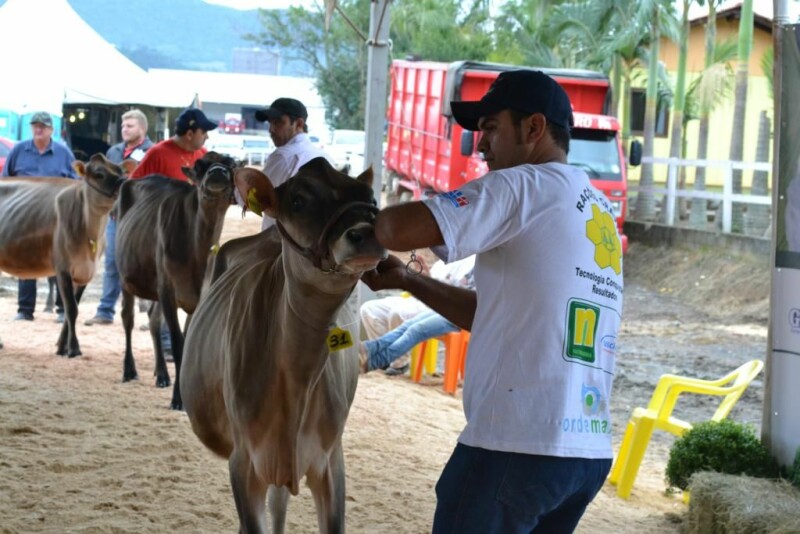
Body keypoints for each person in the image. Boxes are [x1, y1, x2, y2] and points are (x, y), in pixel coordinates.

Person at [362, 70, 624, 532]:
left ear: (533, 128)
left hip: (515, 446)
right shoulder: (592, 207)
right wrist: (409, 279)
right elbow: (492, 315)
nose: (479, 144)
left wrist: (356, 210)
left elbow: (393, 229)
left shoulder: (522, 185)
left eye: (490, 127)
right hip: (582, 454)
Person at [129, 107, 218, 357]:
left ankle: (189, 343)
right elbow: (134, 184)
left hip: (193, 236)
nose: (207, 137)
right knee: (165, 284)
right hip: (159, 233)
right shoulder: (158, 153)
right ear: (190, 133)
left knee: (193, 286)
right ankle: (168, 342)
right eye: (204, 132)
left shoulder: (203, 156)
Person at [2, 111, 77, 323]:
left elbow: (76, 184)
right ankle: (25, 309)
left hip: (56, 217)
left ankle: (62, 309)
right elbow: (5, 182)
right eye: (35, 125)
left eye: (43, 126)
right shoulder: (19, 150)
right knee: (25, 259)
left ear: (51, 130)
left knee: (61, 260)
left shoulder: (63, 153)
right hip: (23, 217)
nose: (38, 129)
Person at [85, 109, 154, 326]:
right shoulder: (113, 152)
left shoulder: (152, 152)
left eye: (130, 126)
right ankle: (105, 311)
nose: (125, 129)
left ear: (142, 129)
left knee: (146, 264)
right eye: (124, 126)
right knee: (112, 262)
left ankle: (152, 313)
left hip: (143, 219)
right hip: (115, 216)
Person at [359, 255, 475, 374]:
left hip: (460, 317)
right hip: (447, 309)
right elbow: (457, 286)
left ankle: (376, 361)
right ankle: (370, 348)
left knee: (416, 329)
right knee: (408, 325)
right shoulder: (472, 266)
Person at [252, 97, 332, 230]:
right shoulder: (325, 157)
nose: (271, 129)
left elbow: (258, 201)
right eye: (270, 123)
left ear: (299, 124)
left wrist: (238, 195)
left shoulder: (283, 156)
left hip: (281, 245)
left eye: (278, 122)